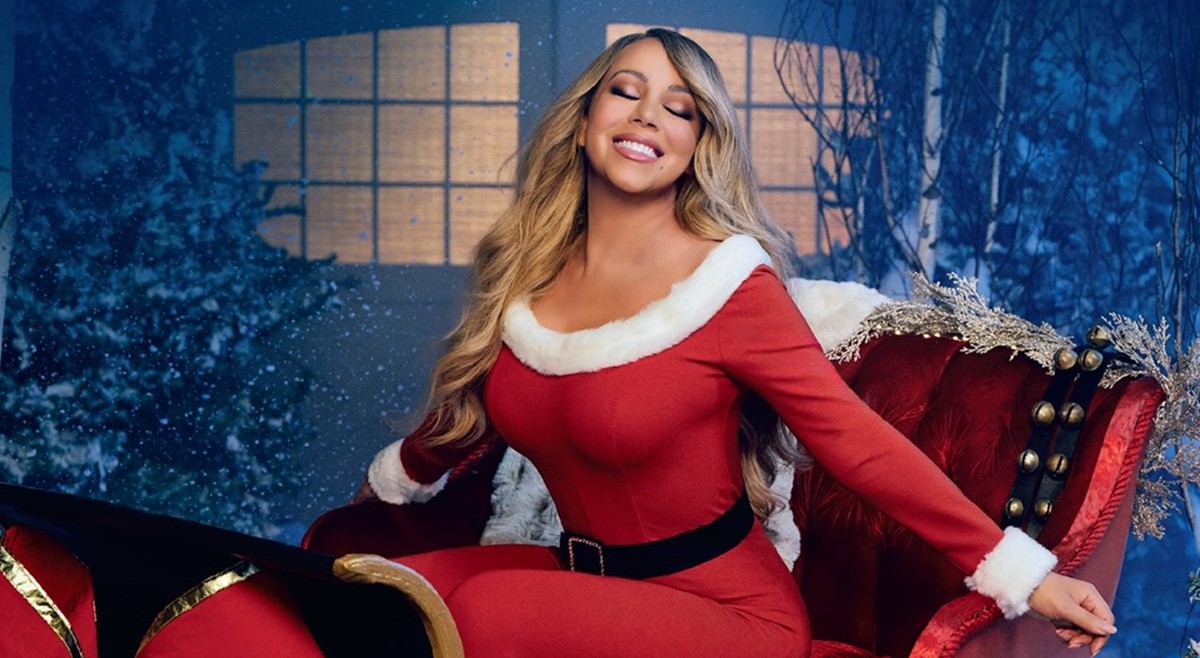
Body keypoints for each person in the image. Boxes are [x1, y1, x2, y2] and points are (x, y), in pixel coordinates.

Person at [355, 28, 1116, 658]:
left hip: (727, 615)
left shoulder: (727, 285)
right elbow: (480, 404)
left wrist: (1024, 575)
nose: (647, 116)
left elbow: (856, 441)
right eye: (625, 92)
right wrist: (399, 478)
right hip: (587, 581)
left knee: (483, 610)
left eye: (678, 108)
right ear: (583, 122)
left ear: (698, 145)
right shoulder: (530, 275)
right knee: (370, 594)